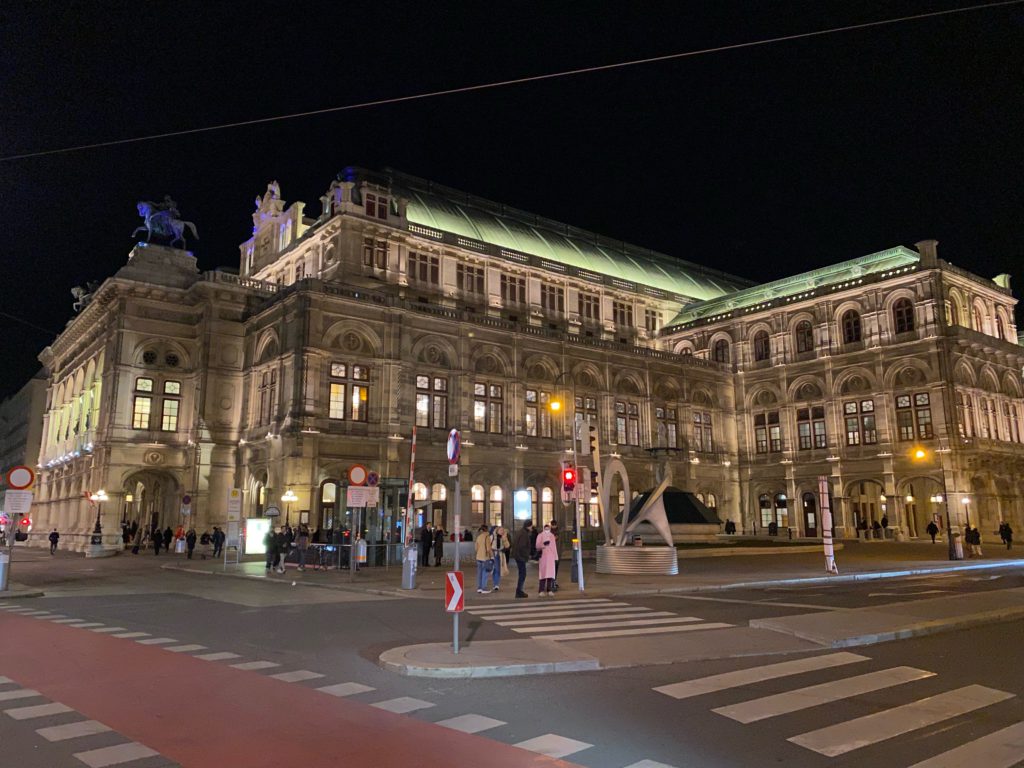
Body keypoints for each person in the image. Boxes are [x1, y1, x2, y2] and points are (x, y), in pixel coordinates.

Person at [510, 521, 533, 599]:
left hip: (518, 556)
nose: (531, 528)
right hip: (520, 557)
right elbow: (522, 546)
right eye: (531, 526)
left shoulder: (520, 532)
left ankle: (519, 591)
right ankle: (519, 591)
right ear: (528, 526)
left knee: (522, 574)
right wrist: (526, 555)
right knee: (522, 574)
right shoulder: (524, 534)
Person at [535, 523, 558, 596]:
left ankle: (549, 590)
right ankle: (541, 590)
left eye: (548, 528)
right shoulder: (540, 535)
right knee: (543, 573)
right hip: (543, 557)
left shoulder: (552, 536)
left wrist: (555, 556)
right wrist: (543, 545)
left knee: (550, 574)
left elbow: (554, 547)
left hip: (551, 557)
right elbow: (537, 546)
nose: (547, 530)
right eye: (546, 528)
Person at [475, 524, 494, 594]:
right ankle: (484, 588)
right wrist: (492, 556)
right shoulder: (487, 536)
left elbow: (476, 548)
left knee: (479, 573)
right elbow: (489, 548)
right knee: (485, 573)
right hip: (485, 557)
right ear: (487, 529)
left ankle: (479, 588)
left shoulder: (478, 537)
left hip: (478, 557)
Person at [492, 524, 509, 589]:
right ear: (497, 530)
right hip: (494, 554)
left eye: (503, 530)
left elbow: (507, 546)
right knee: (494, 569)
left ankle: (496, 584)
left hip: (501, 555)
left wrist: (504, 538)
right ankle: (495, 583)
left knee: (499, 569)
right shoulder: (492, 537)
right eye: (501, 530)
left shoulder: (504, 537)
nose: (502, 531)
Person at [548, 520, 561, 592]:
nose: (554, 526)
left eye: (554, 525)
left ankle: (554, 582)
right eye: (553, 525)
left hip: (557, 553)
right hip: (552, 554)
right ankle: (551, 584)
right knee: (552, 570)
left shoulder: (558, 532)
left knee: (555, 569)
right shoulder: (550, 533)